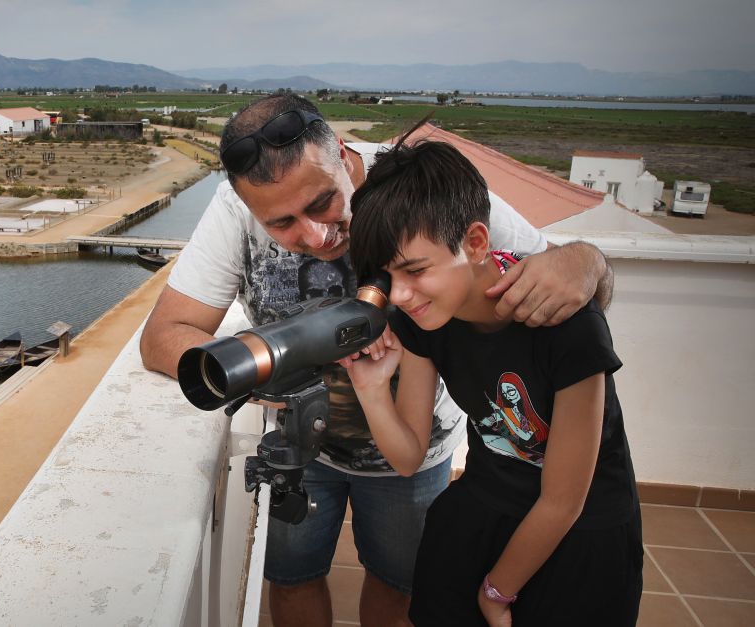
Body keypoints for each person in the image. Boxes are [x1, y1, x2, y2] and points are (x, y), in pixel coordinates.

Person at [138, 94, 612, 627]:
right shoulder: (233, 209)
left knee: (398, 587)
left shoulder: (411, 186)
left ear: (342, 154)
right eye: (281, 224)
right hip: (301, 448)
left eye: (321, 203)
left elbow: (549, 273)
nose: (314, 235)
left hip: (415, 451)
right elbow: (161, 338)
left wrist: (589, 261)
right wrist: (268, 374)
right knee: (291, 580)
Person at [339, 138, 641, 626]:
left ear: (476, 243)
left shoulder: (566, 324)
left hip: (581, 532)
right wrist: (371, 389)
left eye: (415, 270)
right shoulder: (424, 323)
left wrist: (498, 591)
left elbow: (564, 501)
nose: (401, 294)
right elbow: (410, 455)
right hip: (485, 507)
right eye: (388, 277)